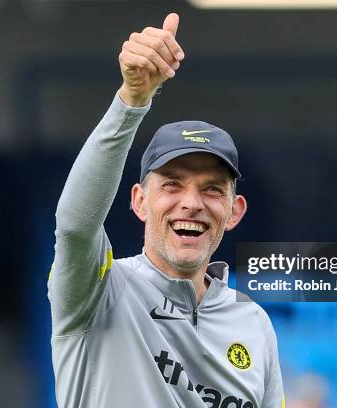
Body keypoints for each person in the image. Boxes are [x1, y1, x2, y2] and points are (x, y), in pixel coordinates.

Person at [48, 12, 285, 408]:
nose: (191, 203)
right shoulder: (97, 290)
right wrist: (131, 100)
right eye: (172, 184)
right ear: (140, 200)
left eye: (212, 189)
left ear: (234, 211)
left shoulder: (254, 323)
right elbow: (74, 227)